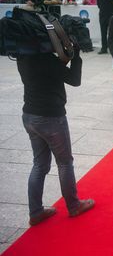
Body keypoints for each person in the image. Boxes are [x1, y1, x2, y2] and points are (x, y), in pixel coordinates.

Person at [16, 32, 95, 226]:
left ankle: (35, 211)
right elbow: (74, 79)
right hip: (51, 117)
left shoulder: (22, 57)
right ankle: (74, 205)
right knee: (65, 162)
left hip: (30, 115)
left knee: (40, 164)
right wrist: (76, 54)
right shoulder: (47, 60)